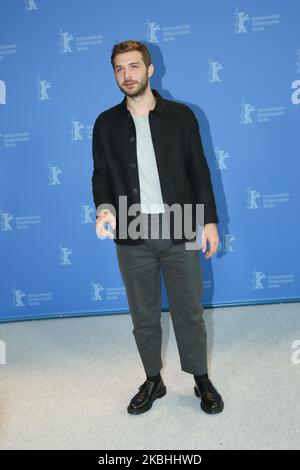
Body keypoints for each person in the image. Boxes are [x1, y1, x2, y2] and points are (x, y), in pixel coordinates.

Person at [92, 40, 224, 415]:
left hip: (180, 222)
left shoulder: (182, 116)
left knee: (189, 310)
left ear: (150, 70)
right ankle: (153, 379)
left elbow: (199, 171)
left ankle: (200, 378)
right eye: (119, 69)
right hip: (131, 226)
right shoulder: (105, 123)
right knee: (143, 314)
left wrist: (209, 221)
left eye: (133, 67)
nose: (126, 75)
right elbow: (100, 176)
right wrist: (104, 209)